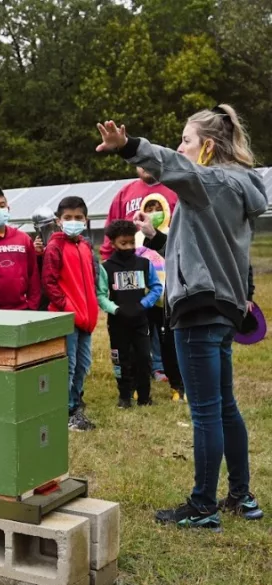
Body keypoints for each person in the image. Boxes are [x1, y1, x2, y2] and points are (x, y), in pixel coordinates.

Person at [97, 105, 267, 528]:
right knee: (226, 406)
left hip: (197, 310)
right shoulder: (240, 184)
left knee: (206, 412)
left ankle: (203, 506)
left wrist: (128, 147)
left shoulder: (206, 178)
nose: (179, 147)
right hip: (225, 308)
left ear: (207, 148)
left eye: (186, 140)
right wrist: (160, 236)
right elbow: (215, 246)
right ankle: (241, 497)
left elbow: (168, 165)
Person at [101, 171, 179, 384]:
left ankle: (165, 367)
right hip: (133, 277)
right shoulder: (125, 193)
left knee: (165, 326)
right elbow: (111, 232)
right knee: (140, 323)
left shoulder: (174, 190)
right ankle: (138, 369)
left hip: (169, 280)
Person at [42, 196, 99, 433]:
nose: (73, 222)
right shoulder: (55, 247)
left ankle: (75, 406)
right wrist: (66, 306)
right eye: (68, 218)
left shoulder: (85, 246)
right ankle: (63, 410)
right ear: (58, 221)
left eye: (78, 218)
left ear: (86, 221)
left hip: (86, 318)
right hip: (67, 317)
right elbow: (50, 281)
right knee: (69, 365)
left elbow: (92, 278)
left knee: (83, 364)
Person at [96, 220, 163, 408]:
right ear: (113, 244)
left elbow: (156, 287)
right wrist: (116, 309)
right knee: (121, 359)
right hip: (118, 322)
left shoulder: (144, 264)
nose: (128, 247)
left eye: (131, 242)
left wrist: (144, 304)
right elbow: (100, 295)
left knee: (143, 357)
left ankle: (145, 397)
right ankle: (124, 396)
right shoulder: (106, 268)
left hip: (141, 321)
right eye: (123, 243)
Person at [132, 197, 185, 400]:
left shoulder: (173, 235)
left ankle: (177, 387)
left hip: (167, 299)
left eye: (157, 208)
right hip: (142, 299)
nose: (153, 212)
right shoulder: (135, 237)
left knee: (169, 345)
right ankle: (140, 386)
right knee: (140, 345)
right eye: (149, 208)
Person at [100, 167, 178, 261]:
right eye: (142, 162)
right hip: (132, 263)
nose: (145, 165)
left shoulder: (176, 191)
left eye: (149, 160)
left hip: (169, 261)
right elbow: (111, 229)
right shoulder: (125, 193)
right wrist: (107, 259)